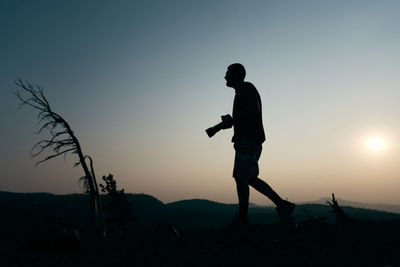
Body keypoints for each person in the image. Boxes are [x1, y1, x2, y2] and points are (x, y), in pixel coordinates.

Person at [220, 63, 295, 227]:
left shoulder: (245, 88)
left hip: (248, 139)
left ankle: (242, 218)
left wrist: (232, 120)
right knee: (250, 178)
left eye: (228, 73)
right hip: (250, 140)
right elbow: (247, 113)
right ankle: (282, 205)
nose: (225, 77)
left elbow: (254, 108)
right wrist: (229, 123)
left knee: (241, 177)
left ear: (237, 75)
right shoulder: (243, 90)